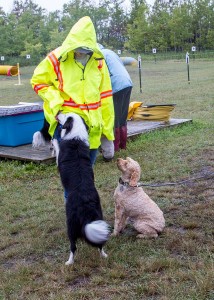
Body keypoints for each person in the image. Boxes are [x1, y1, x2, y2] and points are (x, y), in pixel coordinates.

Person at [31, 16, 114, 166]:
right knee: (73, 176)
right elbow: (38, 82)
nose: (80, 54)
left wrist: (107, 132)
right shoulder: (55, 59)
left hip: (92, 129)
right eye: (77, 50)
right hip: (67, 125)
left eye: (84, 51)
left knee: (86, 175)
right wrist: (56, 102)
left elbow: (106, 96)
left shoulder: (98, 61)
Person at [99, 44, 133, 155]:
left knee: (114, 117)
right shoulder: (110, 52)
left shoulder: (99, 55)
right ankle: (123, 144)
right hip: (127, 82)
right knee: (123, 116)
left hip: (115, 86)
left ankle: (115, 146)